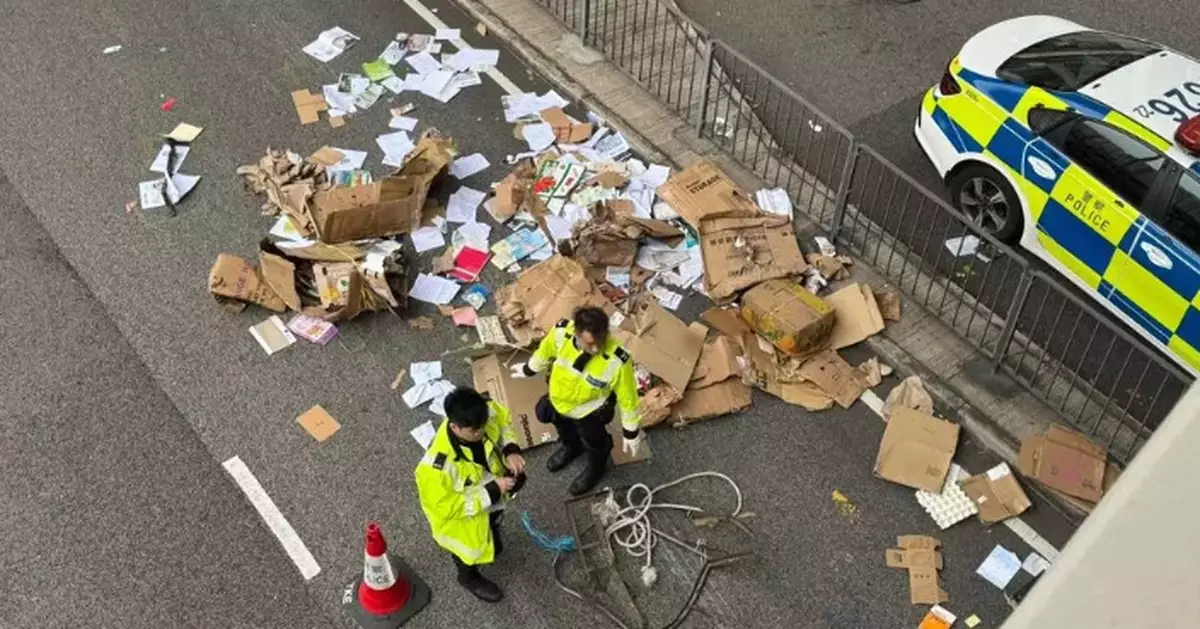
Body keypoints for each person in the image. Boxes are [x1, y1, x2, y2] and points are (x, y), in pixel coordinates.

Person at [511, 306, 642, 495]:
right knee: (559, 424)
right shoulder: (561, 333)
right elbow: (544, 352)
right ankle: (571, 447)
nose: (596, 348)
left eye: (600, 341)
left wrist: (631, 432)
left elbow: (628, 398)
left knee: (596, 442)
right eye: (589, 343)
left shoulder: (617, 360)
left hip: (589, 411)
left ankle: (596, 469)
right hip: (560, 401)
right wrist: (528, 369)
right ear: (576, 332)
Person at [414, 387, 526, 603]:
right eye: (474, 431)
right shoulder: (435, 469)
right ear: (454, 426)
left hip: (489, 499)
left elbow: (503, 422)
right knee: (467, 554)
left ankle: (492, 536)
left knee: (492, 527)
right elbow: (447, 507)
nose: (481, 434)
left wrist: (510, 449)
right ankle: (469, 578)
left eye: (483, 427)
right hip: (461, 525)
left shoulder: (484, 412)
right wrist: (492, 490)